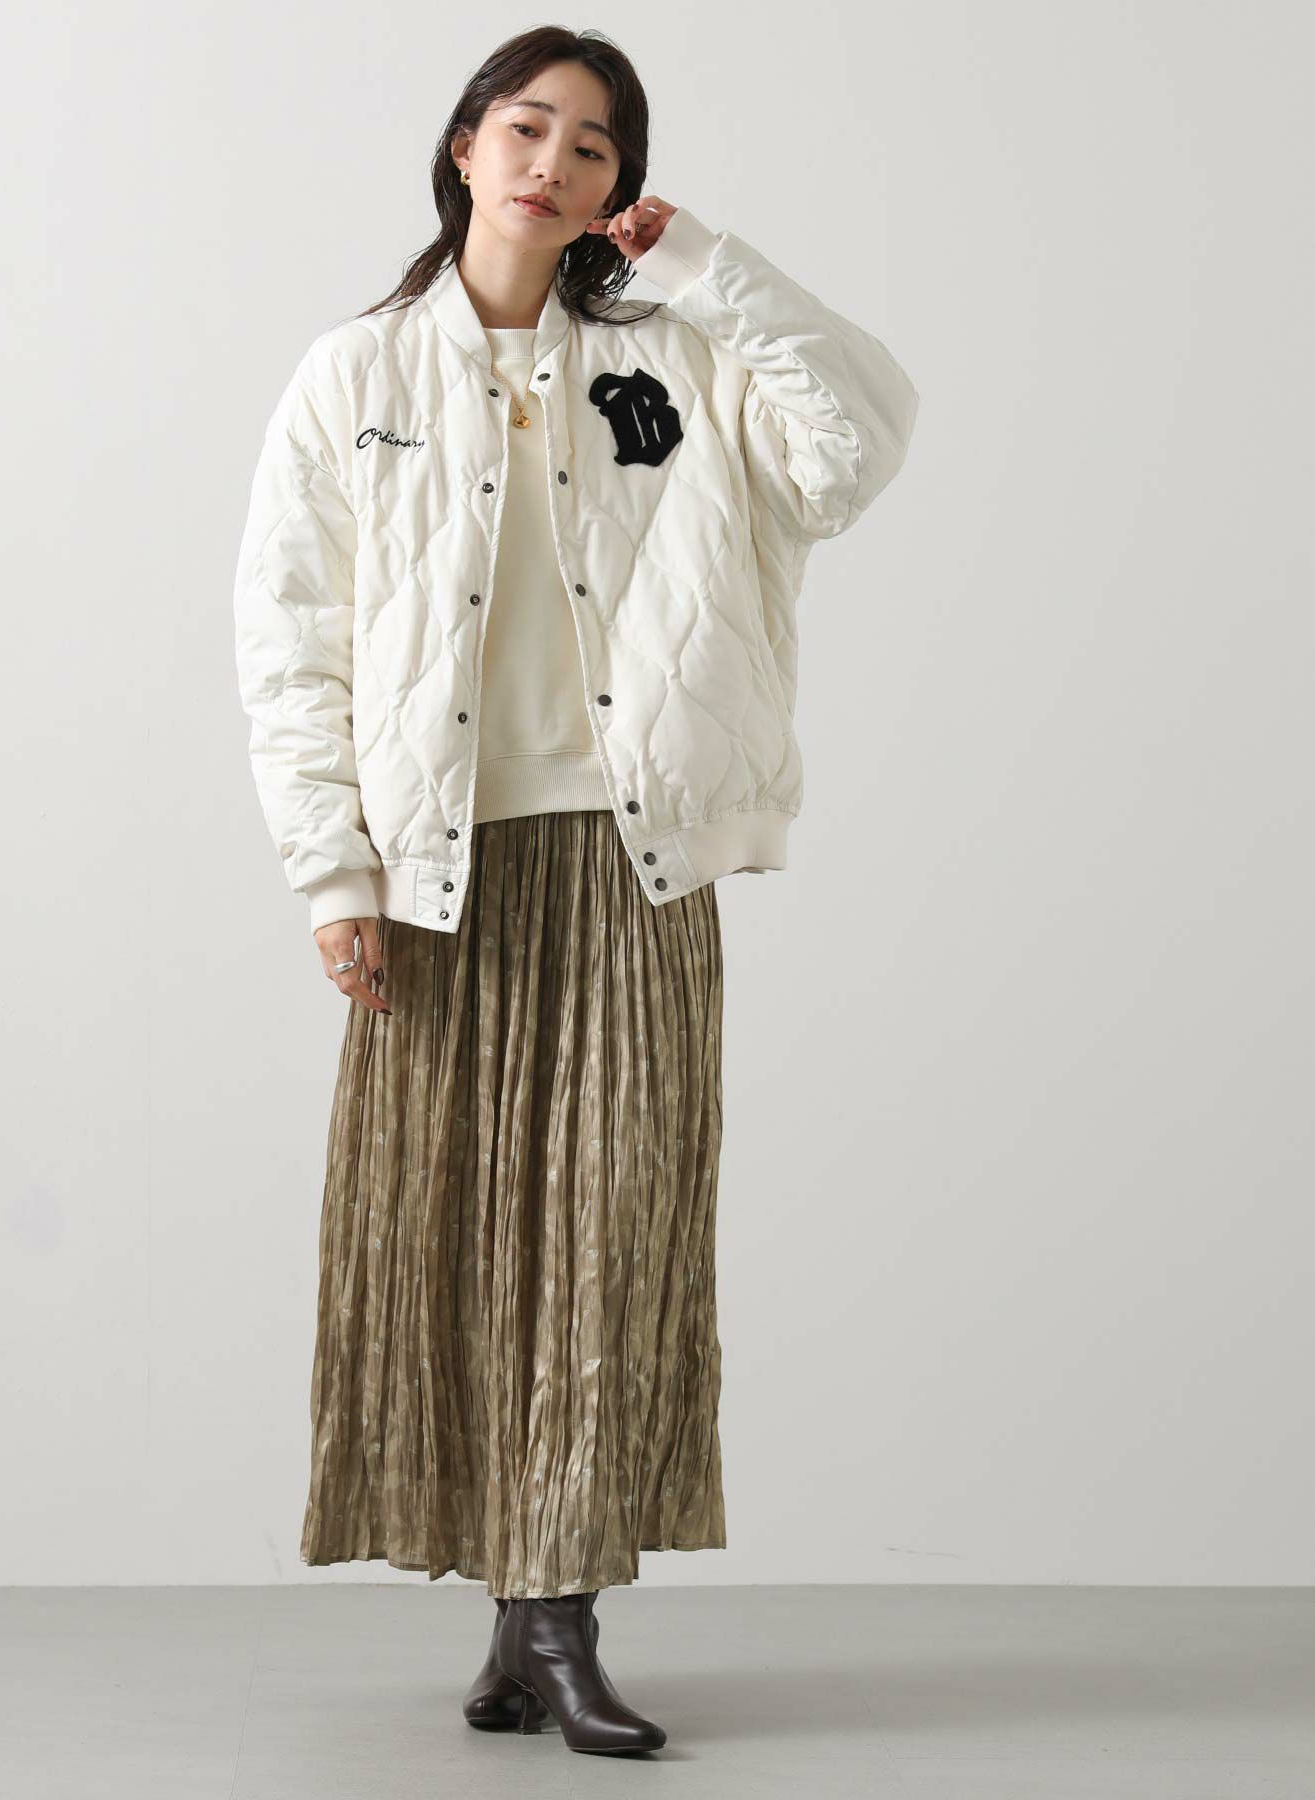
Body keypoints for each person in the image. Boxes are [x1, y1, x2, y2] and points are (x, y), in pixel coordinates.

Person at [231, 25, 919, 1757]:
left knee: (609, 1243)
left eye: (595, 145)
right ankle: (511, 1603)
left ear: (624, 186)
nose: (555, 162)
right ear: (466, 145)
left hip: (634, 861)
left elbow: (856, 442)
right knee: (450, 1239)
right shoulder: (357, 373)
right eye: (528, 126)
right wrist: (333, 870)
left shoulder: (680, 354)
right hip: (436, 879)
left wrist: (710, 264)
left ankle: (556, 1618)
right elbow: (291, 643)